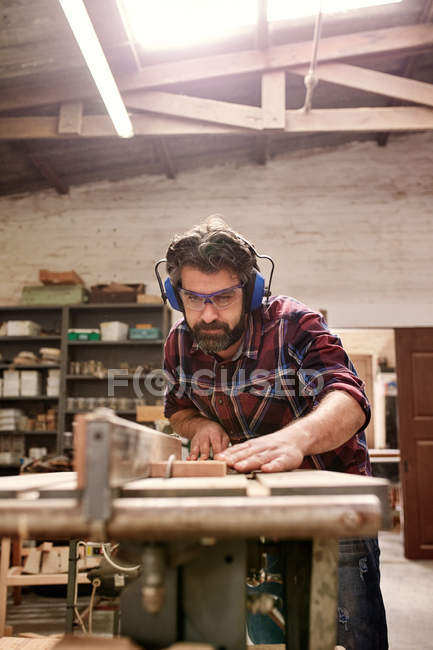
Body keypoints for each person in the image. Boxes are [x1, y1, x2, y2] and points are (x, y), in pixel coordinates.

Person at [160, 216, 388, 649]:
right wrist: (200, 424)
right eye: (194, 298)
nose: (207, 314)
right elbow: (178, 409)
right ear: (175, 295)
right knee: (270, 639)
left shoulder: (294, 324)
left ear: (251, 292)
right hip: (253, 511)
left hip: (332, 508)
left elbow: (349, 400)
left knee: (351, 638)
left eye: (223, 297)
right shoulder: (178, 344)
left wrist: (295, 439)